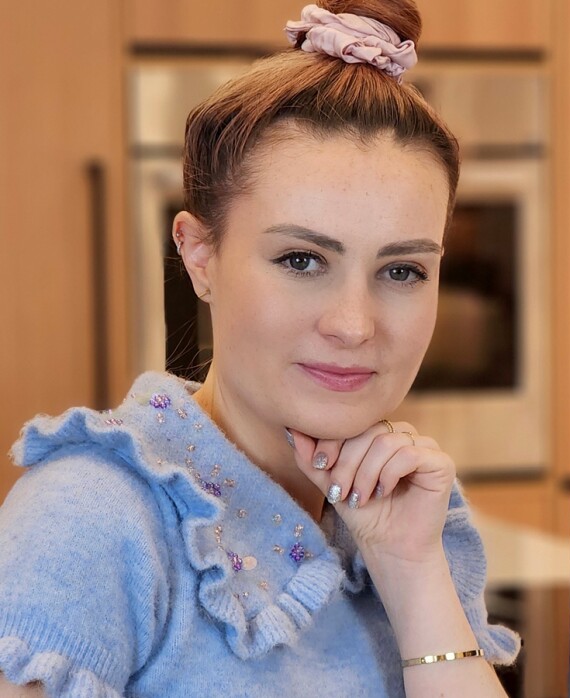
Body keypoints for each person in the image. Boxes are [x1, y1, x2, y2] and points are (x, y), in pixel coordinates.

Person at [0, 2, 517, 696]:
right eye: (302, 260)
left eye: (402, 270)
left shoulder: (416, 515)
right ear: (199, 256)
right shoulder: (90, 518)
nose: (354, 325)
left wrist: (411, 570)